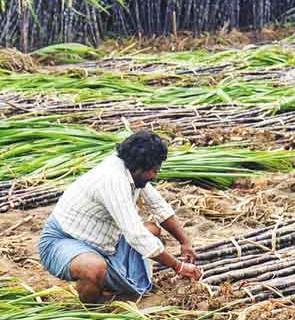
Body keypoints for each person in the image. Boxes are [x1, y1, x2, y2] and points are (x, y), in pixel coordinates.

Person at [38, 130, 202, 303]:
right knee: (93, 268)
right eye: (154, 171)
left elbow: (158, 206)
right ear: (140, 166)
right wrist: (178, 266)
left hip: (105, 243)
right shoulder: (112, 179)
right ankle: (95, 309)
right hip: (63, 241)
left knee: (152, 230)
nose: (155, 176)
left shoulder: (132, 171)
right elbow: (135, 235)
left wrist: (185, 242)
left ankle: (107, 286)